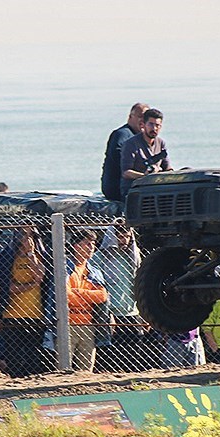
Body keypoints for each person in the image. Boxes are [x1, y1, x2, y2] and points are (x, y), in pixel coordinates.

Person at [94, 222, 151, 372]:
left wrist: (144, 313)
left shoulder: (133, 257)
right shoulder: (99, 258)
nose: (124, 240)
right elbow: (99, 287)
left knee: (134, 357)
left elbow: (138, 286)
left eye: (127, 236)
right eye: (120, 236)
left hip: (132, 313)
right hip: (111, 314)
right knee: (112, 359)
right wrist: (107, 314)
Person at [0, 226, 47, 377]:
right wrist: (30, 285)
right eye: (24, 235)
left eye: (30, 235)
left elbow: (40, 276)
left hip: (35, 313)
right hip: (12, 314)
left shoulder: (40, 255)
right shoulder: (9, 257)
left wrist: (30, 253)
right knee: (14, 357)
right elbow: (8, 286)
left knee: (33, 356)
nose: (27, 239)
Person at [66, 229, 109, 373]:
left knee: (86, 371)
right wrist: (89, 297)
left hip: (88, 325)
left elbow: (102, 296)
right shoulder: (65, 268)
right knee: (64, 369)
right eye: (87, 243)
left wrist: (79, 292)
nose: (91, 247)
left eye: (93, 243)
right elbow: (66, 296)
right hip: (68, 325)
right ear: (75, 245)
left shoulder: (94, 271)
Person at [119, 107, 172, 201]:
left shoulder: (161, 143)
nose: (154, 128)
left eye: (157, 125)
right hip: (134, 189)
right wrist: (145, 176)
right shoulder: (131, 144)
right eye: (151, 124)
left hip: (154, 186)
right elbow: (126, 172)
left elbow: (168, 168)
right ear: (143, 125)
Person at [100, 103, 149, 202]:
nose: (143, 120)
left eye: (146, 118)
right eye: (140, 116)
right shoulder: (122, 134)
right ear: (130, 117)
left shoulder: (142, 138)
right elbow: (117, 156)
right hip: (117, 187)